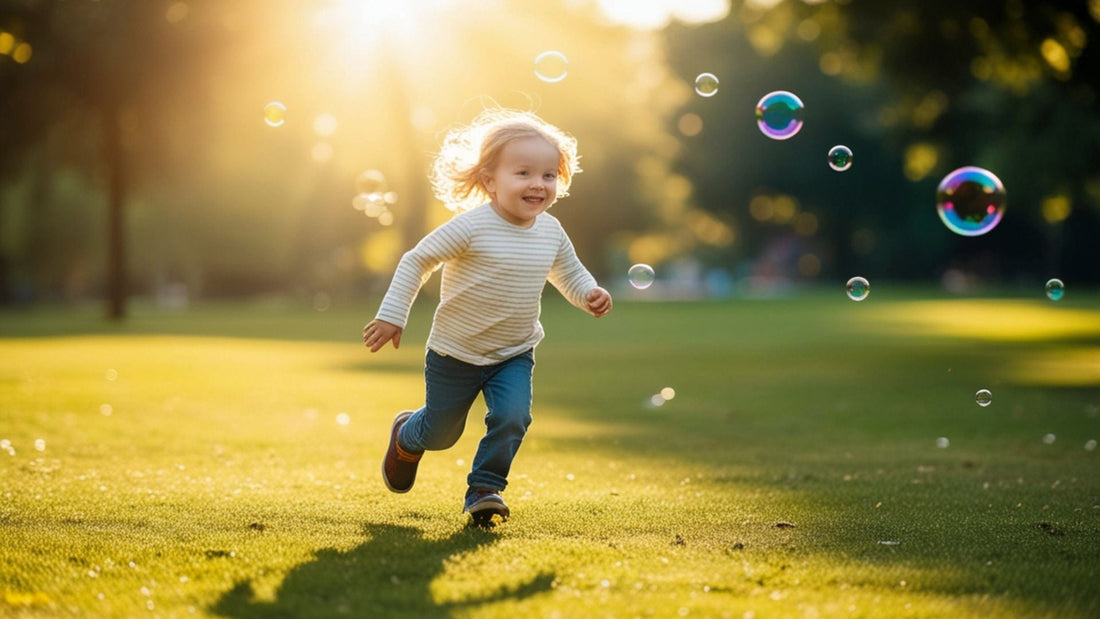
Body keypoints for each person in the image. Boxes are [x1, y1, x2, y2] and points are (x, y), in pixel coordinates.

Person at [363, 108, 612, 525]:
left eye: (549, 175)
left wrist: (589, 293)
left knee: (513, 416)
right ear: (488, 181)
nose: (538, 184)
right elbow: (416, 260)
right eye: (524, 173)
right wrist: (393, 315)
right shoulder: (472, 227)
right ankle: (407, 436)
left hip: (513, 352)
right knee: (441, 434)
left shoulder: (550, 231)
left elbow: (567, 271)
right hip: (454, 353)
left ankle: (485, 488)